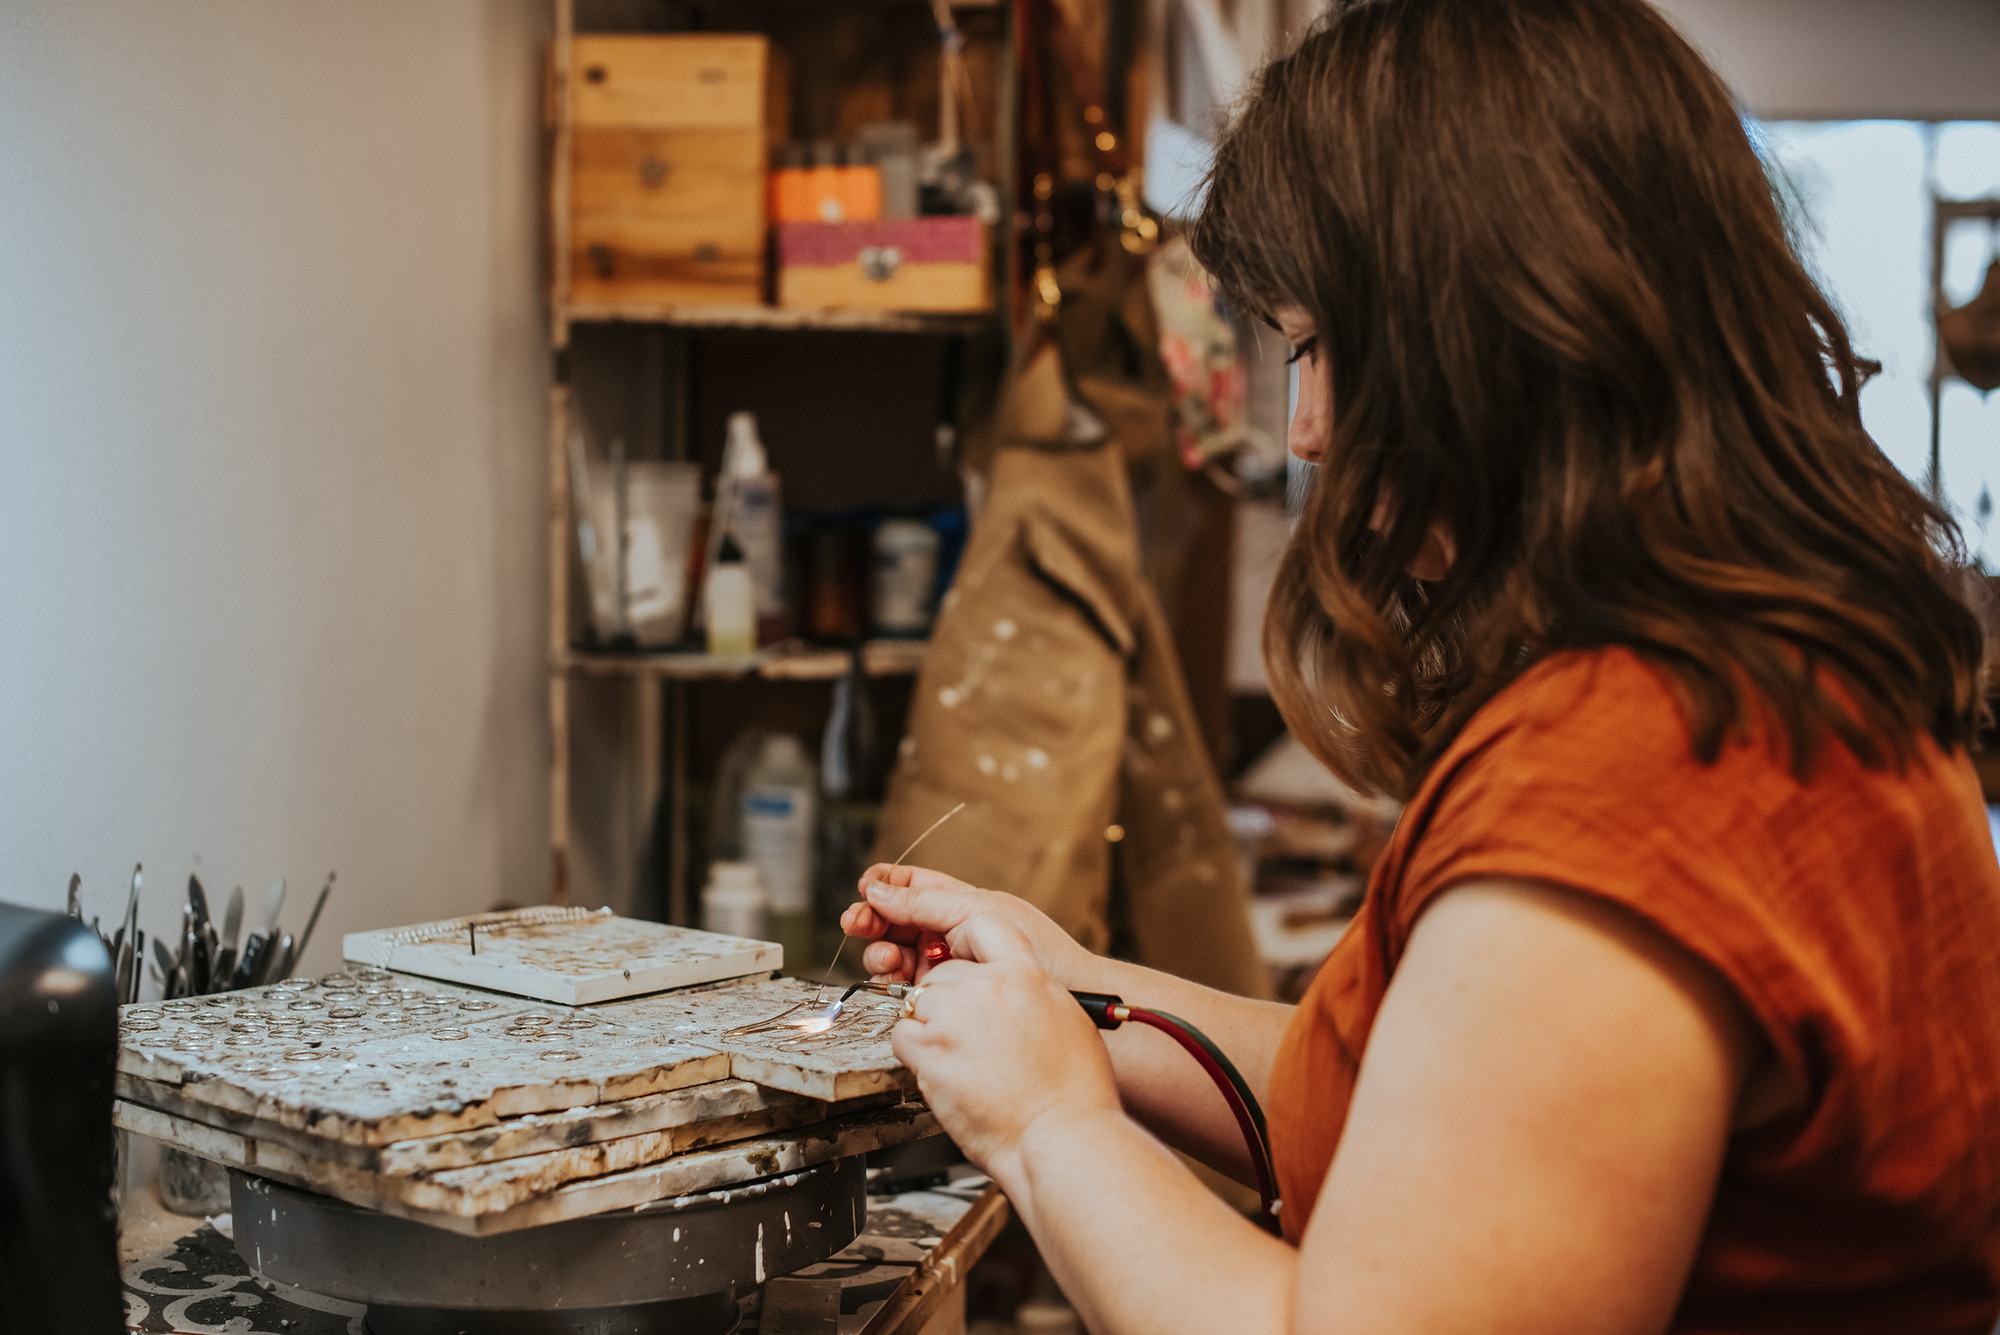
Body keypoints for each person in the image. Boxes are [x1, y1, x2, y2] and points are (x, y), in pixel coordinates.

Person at [838, 0, 2000, 1331]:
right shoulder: (1750, 665)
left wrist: (1048, 1122)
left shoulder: (1645, 773)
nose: (1309, 427)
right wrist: (1075, 988)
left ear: (1497, 327)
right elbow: (1418, 1111)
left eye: (1319, 345)